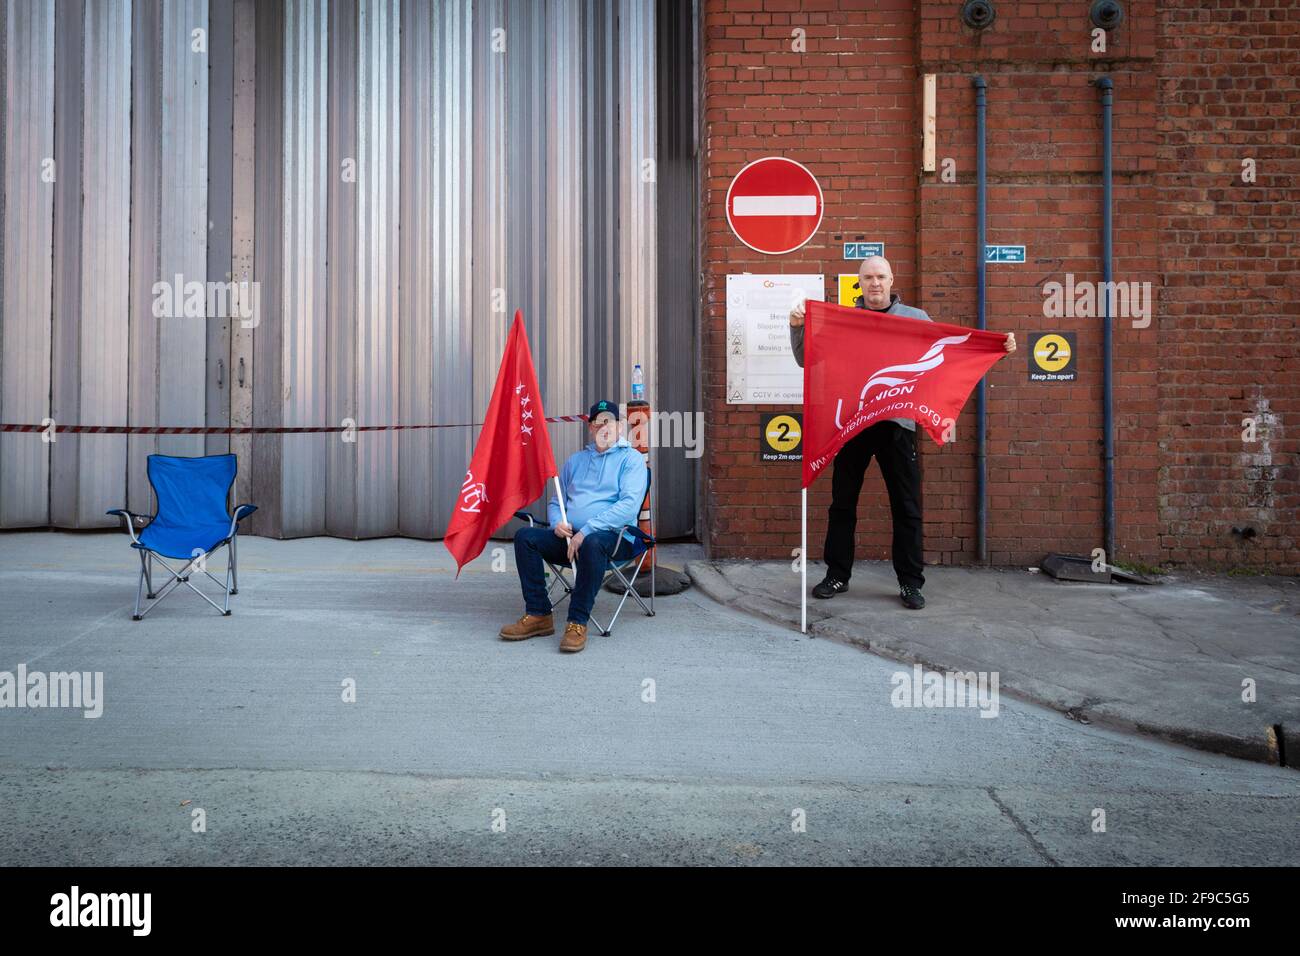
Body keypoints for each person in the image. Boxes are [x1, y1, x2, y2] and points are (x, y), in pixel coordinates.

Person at [789, 256, 1015, 609]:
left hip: (897, 426)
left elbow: (948, 357)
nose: (874, 283)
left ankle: (910, 583)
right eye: (867, 278)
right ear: (858, 283)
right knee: (843, 505)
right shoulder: (845, 321)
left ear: (891, 279)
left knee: (906, 508)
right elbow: (806, 360)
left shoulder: (916, 320)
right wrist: (797, 326)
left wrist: (994, 350)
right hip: (851, 423)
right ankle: (837, 575)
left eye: (880, 277)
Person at [500, 399, 649, 652]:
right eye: (597, 422)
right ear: (590, 427)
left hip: (615, 539)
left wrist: (587, 531)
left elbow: (628, 507)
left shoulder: (631, 459)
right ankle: (539, 614)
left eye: (609, 422)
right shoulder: (576, 461)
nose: (604, 427)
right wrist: (558, 522)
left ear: (620, 427)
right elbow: (557, 500)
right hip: (572, 540)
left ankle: (577, 622)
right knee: (526, 537)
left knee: (592, 543)